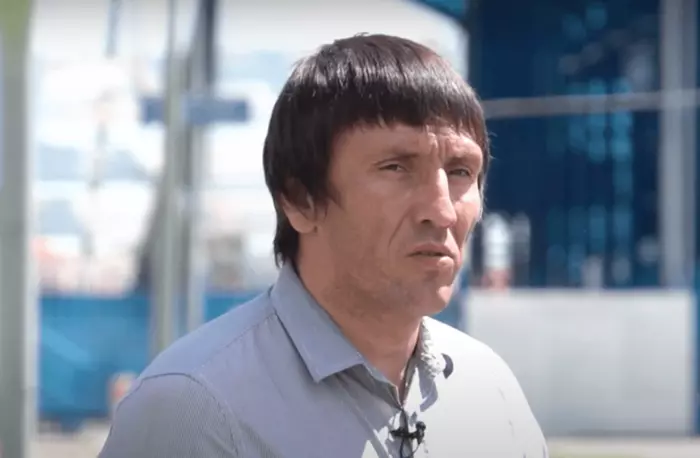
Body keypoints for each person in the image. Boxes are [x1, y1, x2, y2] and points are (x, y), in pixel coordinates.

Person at [99, 34, 547, 458]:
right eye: (395, 167)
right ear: (299, 200)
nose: (443, 211)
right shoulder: (196, 408)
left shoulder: (490, 393)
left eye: (461, 172)